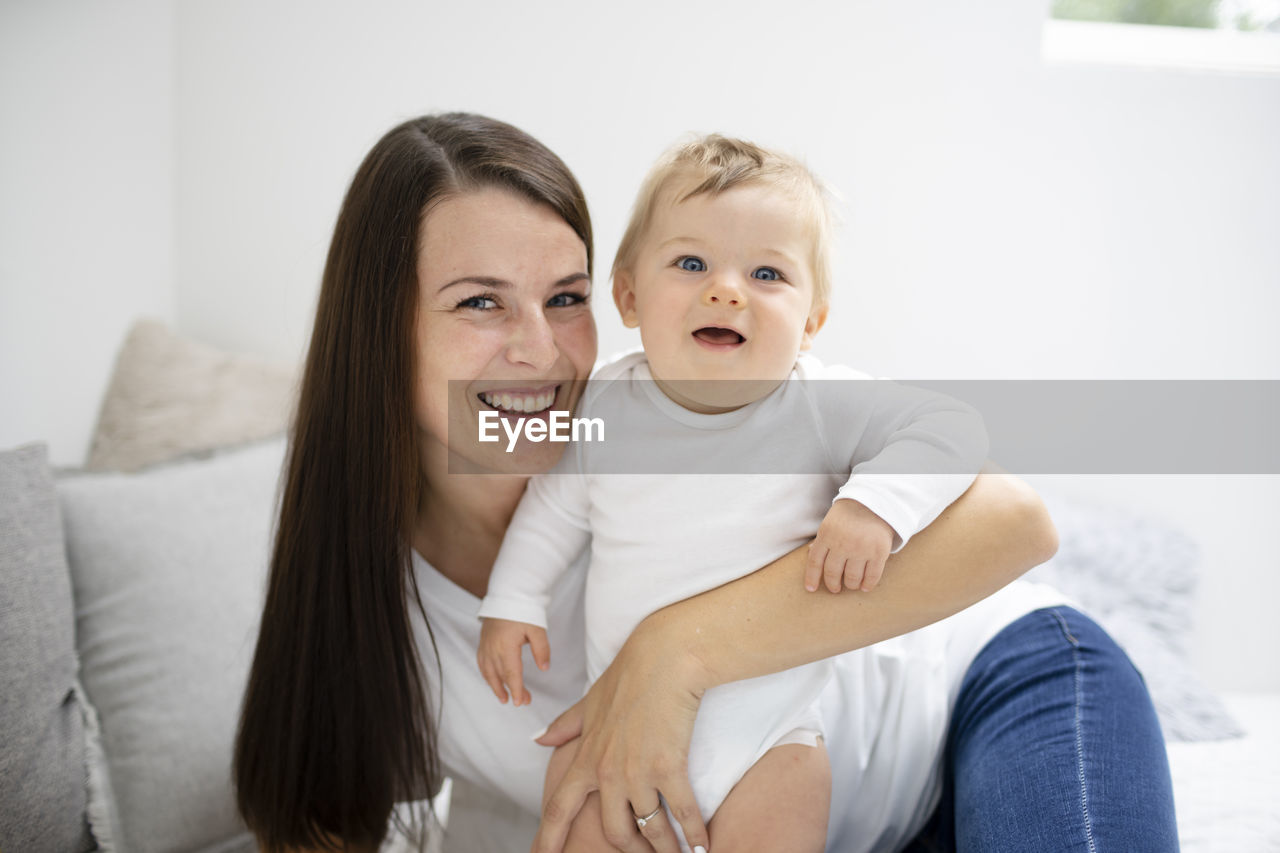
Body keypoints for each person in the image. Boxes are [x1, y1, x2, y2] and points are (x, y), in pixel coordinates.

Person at [233, 112, 1179, 853]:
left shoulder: (661, 428)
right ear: (378, 331)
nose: (538, 348)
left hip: (990, 690)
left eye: (565, 298)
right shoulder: (368, 612)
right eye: (480, 301)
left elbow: (1019, 521)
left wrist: (672, 652)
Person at [474, 134, 990, 853]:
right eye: (691, 263)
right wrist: (513, 599)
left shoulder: (820, 406)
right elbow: (554, 509)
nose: (726, 289)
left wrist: (876, 505)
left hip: (771, 739)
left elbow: (953, 427)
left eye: (767, 273)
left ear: (812, 321)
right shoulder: (606, 405)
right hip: (619, 722)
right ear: (626, 294)